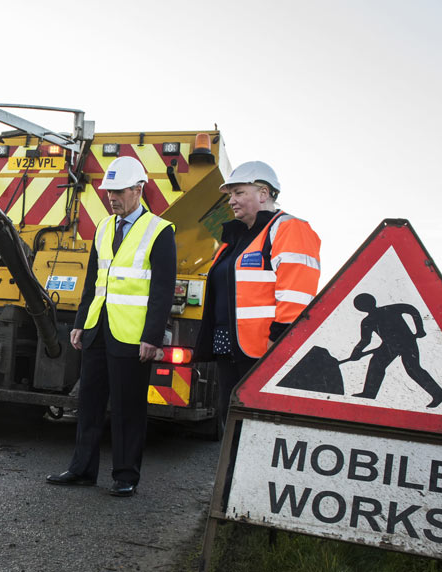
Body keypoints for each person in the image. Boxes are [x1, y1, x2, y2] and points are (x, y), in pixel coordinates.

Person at [46, 156, 176, 497]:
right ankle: (82, 470)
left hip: (132, 336)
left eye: (118, 191)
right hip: (97, 329)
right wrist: (79, 323)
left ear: (138, 189)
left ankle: (125, 476)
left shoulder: (160, 231)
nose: (111, 197)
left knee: (127, 408)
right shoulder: (104, 227)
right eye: (108, 191)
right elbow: (93, 281)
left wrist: (152, 336)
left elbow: (163, 290)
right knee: (88, 404)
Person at [195, 161, 321, 422]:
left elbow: (297, 292)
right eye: (230, 194)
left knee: (255, 425)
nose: (231, 201)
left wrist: (280, 341)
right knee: (230, 422)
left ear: (263, 193)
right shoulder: (237, 239)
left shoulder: (288, 228)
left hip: (263, 351)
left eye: (239, 192)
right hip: (230, 348)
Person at [347, 293, 442, 407]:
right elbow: (365, 340)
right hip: (389, 345)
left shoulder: (390, 309)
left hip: (406, 341)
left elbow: (412, 309)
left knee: (412, 368)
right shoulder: (367, 321)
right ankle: (369, 393)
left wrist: (420, 329)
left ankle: (438, 393)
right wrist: (356, 352)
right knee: (376, 363)